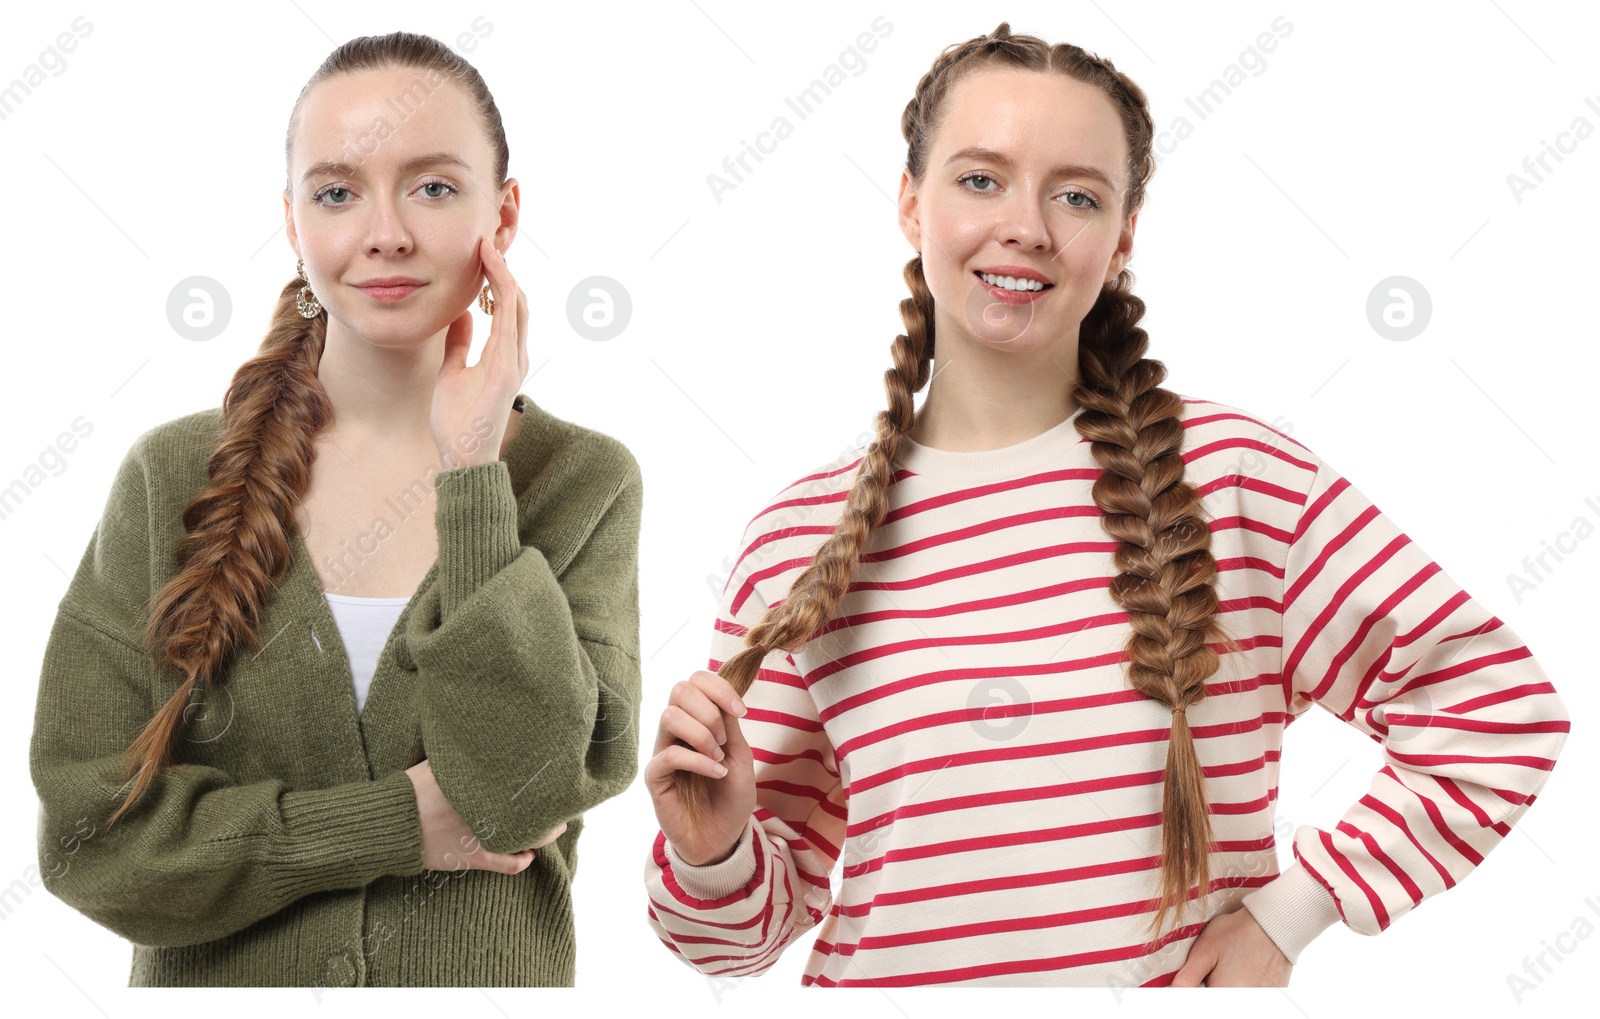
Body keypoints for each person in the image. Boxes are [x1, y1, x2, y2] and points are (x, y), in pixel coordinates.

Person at [640, 22, 1569, 988]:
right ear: (912, 204)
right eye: (980, 179)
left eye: (1077, 195)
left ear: (1122, 238)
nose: (1028, 226)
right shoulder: (802, 535)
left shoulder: (1233, 477)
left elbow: (1498, 709)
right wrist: (712, 853)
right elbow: (730, 944)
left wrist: (1291, 913)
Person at [29, 31, 642, 987]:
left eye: (434, 187)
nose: (385, 231)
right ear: (292, 221)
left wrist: (473, 471)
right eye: (337, 192)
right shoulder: (172, 474)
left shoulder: (580, 482)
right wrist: (397, 822)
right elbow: (87, 842)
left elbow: (524, 790)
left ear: (505, 213)